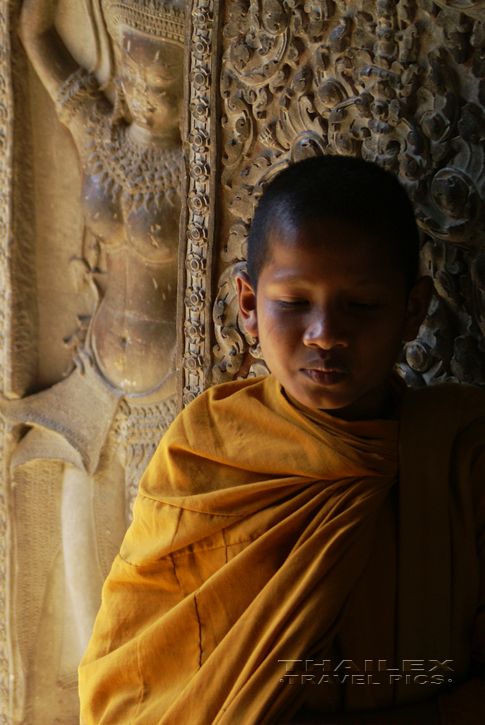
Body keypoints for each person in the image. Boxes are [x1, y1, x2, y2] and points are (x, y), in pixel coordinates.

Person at [79, 156, 485, 724]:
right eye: (294, 303)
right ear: (248, 305)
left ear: (412, 309)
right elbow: (133, 682)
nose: (326, 335)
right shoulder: (205, 451)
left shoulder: (459, 451)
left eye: (363, 306)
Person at [0, 0, 185, 701]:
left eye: (158, 88)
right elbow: (36, 38)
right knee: (83, 577)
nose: (140, 97)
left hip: (168, 398)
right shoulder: (101, 137)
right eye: (131, 81)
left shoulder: (203, 161)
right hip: (94, 384)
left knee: (148, 599)